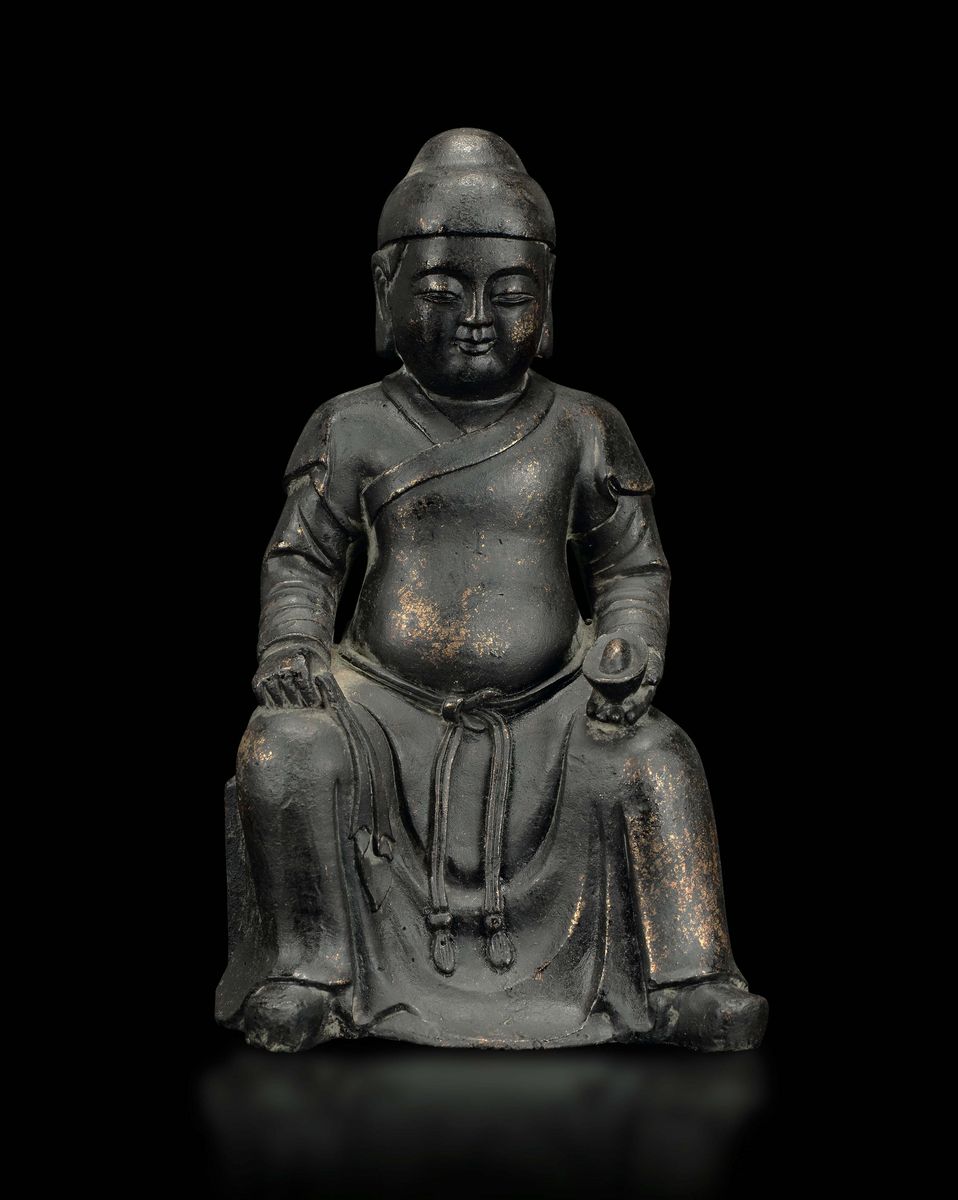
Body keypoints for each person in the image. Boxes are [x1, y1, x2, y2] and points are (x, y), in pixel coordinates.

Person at [215, 128, 768, 1052]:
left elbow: (631, 565)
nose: (475, 318)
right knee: (284, 751)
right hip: (380, 705)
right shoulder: (351, 425)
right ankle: (312, 972)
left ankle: (691, 977)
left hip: (554, 704)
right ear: (385, 292)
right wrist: (293, 646)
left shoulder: (584, 425)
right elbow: (303, 559)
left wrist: (628, 644)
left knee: (658, 760)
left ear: (546, 303)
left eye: (508, 295)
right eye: (441, 291)